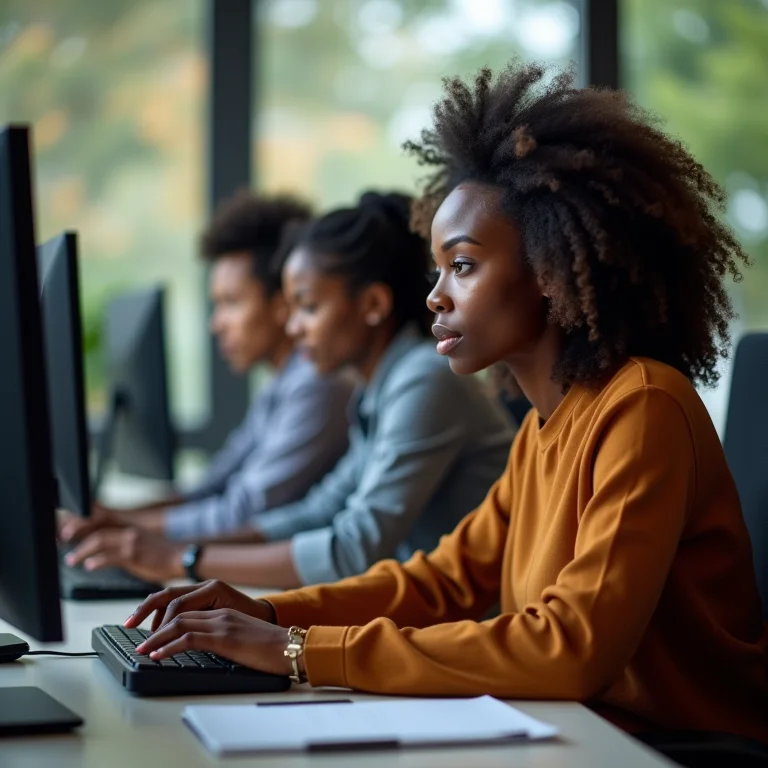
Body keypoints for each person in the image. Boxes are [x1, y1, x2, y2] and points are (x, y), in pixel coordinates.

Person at [122, 63, 768, 743]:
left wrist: (297, 653)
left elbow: (572, 649)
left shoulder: (642, 408)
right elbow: (438, 583)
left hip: (673, 746)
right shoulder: (544, 428)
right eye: (437, 269)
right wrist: (272, 617)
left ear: (550, 270)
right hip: (577, 731)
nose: (435, 296)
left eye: (461, 266)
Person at [64, 191, 516, 588]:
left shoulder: (424, 380)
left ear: (374, 305)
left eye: (308, 306)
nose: (293, 326)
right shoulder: (380, 389)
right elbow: (319, 511)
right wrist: (170, 547)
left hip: (477, 627)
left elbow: (354, 547)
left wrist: (182, 558)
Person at [61, 191, 353, 542]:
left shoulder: (318, 383)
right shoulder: (283, 382)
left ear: (283, 303)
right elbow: (213, 486)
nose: (217, 324)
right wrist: (113, 517)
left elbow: (243, 511)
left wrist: (126, 528)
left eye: (230, 302)